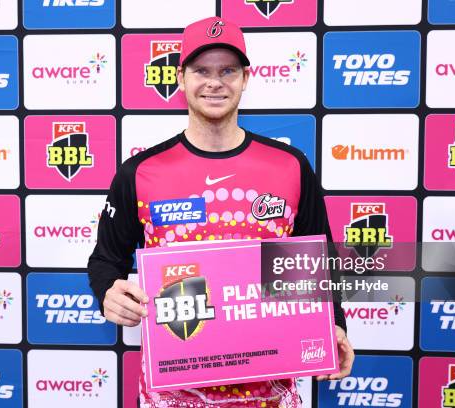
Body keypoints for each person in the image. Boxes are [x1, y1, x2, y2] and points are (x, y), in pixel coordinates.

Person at [88, 16, 354, 408]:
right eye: (202, 70)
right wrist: (108, 291)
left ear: (246, 78)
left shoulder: (291, 165)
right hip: (173, 392)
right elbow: (105, 261)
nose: (215, 82)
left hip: (271, 391)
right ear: (181, 79)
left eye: (227, 70)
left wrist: (334, 325)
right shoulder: (140, 171)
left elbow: (317, 264)